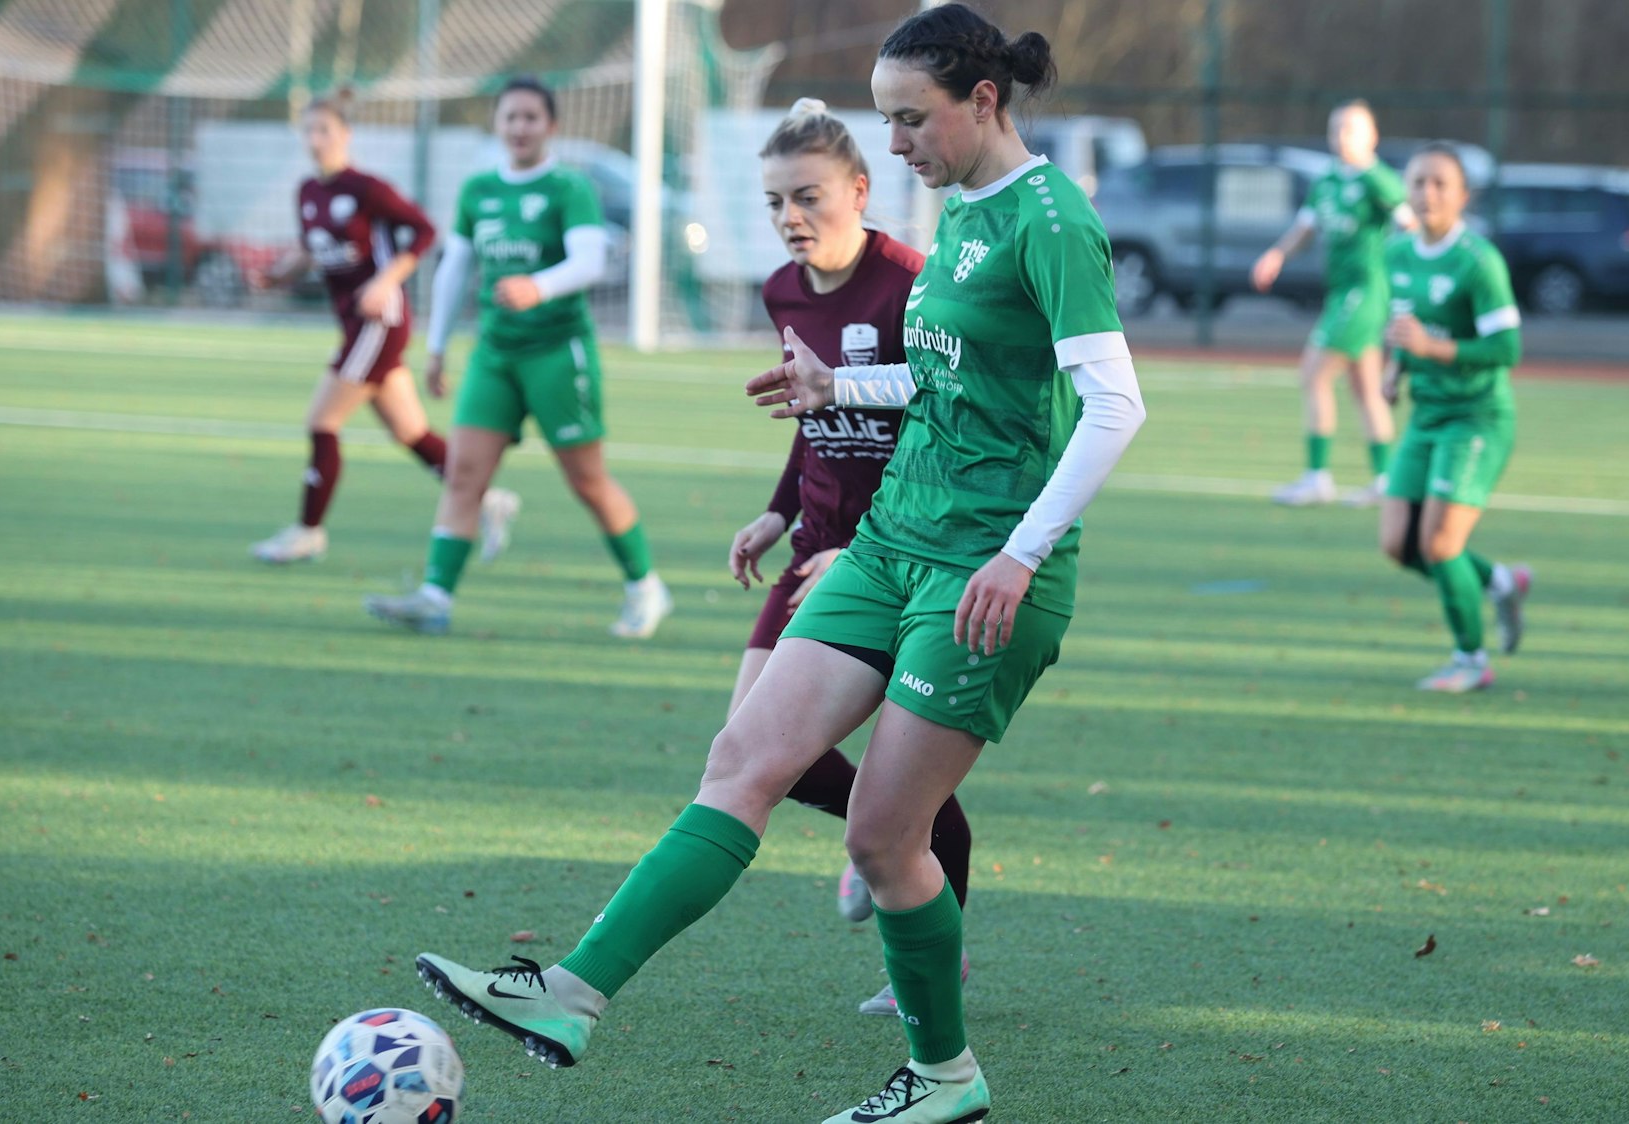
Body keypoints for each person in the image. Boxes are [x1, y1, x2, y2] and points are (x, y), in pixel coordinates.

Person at [414, 8, 1147, 1122]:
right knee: (745, 753)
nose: (895, 144)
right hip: (892, 539)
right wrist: (837, 390)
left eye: (911, 119)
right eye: (887, 120)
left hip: (983, 566)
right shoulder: (961, 212)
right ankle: (570, 991)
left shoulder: (1051, 221)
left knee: (882, 836)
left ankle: (944, 1074)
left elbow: (1116, 405)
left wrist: (1020, 549)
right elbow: (953, 382)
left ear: (984, 101)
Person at [728, 97, 973, 1017]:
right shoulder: (782, 293)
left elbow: (945, 428)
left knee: (898, 783)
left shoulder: (913, 282)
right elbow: (814, 415)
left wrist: (864, 549)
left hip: (902, 557)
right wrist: (776, 511)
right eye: (774, 203)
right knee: (747, 747)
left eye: (809, 198)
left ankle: (926, 925)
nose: (792, 218)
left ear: (860, 191)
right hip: (814, 549)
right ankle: (884, 847)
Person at [363, 76, 671, 639]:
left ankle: (646, 588)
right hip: (494, 354)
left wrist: (540, 287)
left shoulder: (568, 188)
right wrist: (434, 347)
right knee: (463, 476)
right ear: (497, 125)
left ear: (550, 126)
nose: (520, 127)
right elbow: (456, 267)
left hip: (557, 353)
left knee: (586, 480)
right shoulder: (479, 190)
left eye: (531, 117)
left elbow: (590, 260)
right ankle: (435, 595)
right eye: (510, 117)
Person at [248, 89, 517, 564]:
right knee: (410, 432)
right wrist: (279, 273)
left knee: (322, 421)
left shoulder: (366, 189)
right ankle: (489, 501)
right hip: (355, 325)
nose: (315, 140)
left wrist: (385, 280)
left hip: (380, 321)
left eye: (324, 130)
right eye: (308, 130)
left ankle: (309, 531)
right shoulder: (308, 193)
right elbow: (313, 249)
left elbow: (425, 230)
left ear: (345, 135)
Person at [1378, 143, 1533, 692]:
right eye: (1419, 182)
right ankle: (1498, 581)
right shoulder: (1396, 253)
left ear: (1463, 195)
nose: (1428, 193)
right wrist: (1394, 369)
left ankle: (1471, 660)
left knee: (1440, 545)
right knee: (1399, 543)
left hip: (1478, 417)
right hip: (1427, 415)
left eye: (1441, 183)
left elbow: (1508, 348)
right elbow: (1401, 327)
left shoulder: (1478, 261)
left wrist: (1431, 348)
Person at [1251, 100, 1415, 507]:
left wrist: (1406, 274)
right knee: (1366, 389)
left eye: (1351, 129)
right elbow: (1305, 228)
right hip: (1341, 292)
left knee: (1313, 374)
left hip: (1365, 293)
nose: (1341, 137)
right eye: (1335, 128)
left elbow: (1410, 226)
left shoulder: (1378, 181)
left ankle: (1317, 477)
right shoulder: (1326, 181)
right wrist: (1276, 255)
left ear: (1372, 137)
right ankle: (1385, 480)